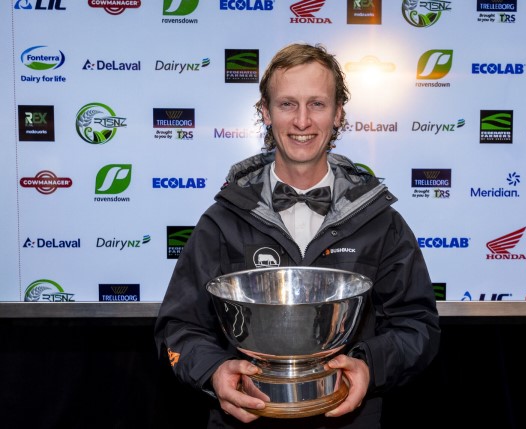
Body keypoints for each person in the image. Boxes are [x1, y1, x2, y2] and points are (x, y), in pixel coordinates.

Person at [154, 42, 441, 428]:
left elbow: (418, 325)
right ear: (265, 112)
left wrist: (368, 367)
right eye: (287, 104)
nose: (302, 121)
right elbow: (177, 328)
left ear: (338, 114)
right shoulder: (222, 221)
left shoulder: (380, 222)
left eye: (317, 104)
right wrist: (214, 372)